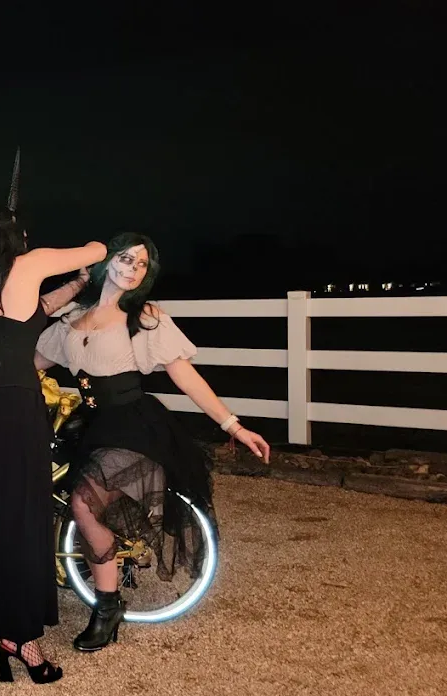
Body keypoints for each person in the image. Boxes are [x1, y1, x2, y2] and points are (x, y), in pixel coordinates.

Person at [34, 232, 271, 653]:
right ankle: (71, 574)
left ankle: (107, 607)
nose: (133, 268)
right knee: (59, 496)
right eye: (126, 258)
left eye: (141, 263)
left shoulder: (143, 317)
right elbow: (29, 363)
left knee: (84, 503)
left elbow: (186, 376)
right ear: (108, 260)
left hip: (133, 424)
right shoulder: (74, 318)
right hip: (91, 424)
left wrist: (233, 426)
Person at [0, 152, 107, 684]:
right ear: (11, 235)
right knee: (19, 518)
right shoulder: (28, 263)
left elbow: (29, 315)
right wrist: (102, 254)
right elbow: (96, 248)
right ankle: (19, 638)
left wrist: (75, 288)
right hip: (13, 407)